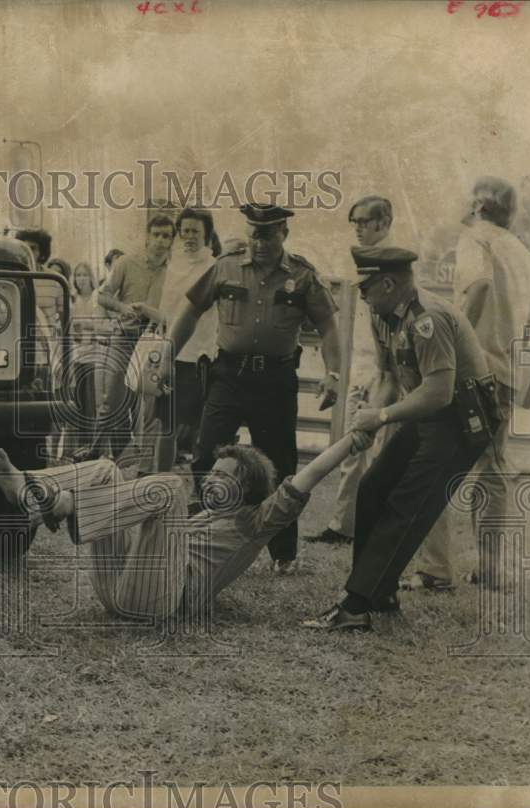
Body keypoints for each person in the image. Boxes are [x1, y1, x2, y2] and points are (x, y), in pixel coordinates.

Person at [302, 246, 495, 632]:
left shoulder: (428, 319)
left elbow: (439, 391)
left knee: (407, 505)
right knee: (373, 487)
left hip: (460, 419)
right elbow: (388, 376)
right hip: (428, 414)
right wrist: (368, 423)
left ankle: (356, 606)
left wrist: (382, 416)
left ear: (389, 284)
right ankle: (380, 594)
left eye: (365, 288)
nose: (361, 296)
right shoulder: (384, 315)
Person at [0, 430, 373, 622]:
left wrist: (350, 441)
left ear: (245, 489)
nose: (210, 480)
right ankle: (28, 488)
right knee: (106, 469)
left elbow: (307, 477)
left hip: (159, 603)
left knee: (170, 486)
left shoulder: (255, 522)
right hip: (117, 588)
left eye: (224, 476)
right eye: (212, 473)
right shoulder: (198, 513)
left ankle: (63, 504)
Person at [167, 203, 342, 575]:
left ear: (284, 234)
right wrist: (167, 355)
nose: (259, 243)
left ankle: (283, 554)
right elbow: (192, 309)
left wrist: (334, 374)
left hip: (275, 382)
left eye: (268, 236)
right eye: (254, 235)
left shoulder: (303, 275)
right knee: (205, 455)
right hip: (229, 376)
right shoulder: (226, 267)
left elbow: (328, 325)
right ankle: (203, 535)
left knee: (279, 465)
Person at [402, 176, 530, 592]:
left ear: (479, 206)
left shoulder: (475, 240)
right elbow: (529, 324)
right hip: (507, 372)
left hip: (473, 373)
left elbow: (477, 286)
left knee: (434, 463)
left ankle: (435, 569)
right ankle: (492, 567)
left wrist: (454, 340)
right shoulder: (523, 254)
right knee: (493, 470)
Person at [305, 195, 399, 547]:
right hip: (361, 365)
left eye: (364, 221)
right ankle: (344, 525)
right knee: (351, 445)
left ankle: (377, 527)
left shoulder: (395, 261)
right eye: (354, 222)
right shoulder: (361, 261)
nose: (358, 228)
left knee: (379, 450)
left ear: (383, 222)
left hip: (385, 370)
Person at [95, 216, 175, 460]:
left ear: (172, 240)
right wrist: (122, 308)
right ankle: (96, 454)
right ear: (147, 237)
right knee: (113, 400)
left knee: (150, 406)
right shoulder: (126, 263)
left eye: (166, 236)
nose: (160, 241)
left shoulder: (174, 271)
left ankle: (140, 464)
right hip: (124, 338)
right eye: (156, 235)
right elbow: (103, 295)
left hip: (154, 343)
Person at [149, 207, 220, 472]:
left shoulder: (214, 267)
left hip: (201, 356)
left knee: (201, 426)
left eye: (195, 231)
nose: (189, 236)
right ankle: (161, 480)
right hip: (172, 354)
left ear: (207, 234)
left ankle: (201, 484)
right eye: (185, 231)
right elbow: (167, 312)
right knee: (167, 424)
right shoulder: (174, 264)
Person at [62, 262, 104, 458]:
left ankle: (92, 445)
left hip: (95, 354)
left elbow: (100, 324)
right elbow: (67, 326)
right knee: (78, 401)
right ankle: (78, 446)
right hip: (77, 354)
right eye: (78, 275)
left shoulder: (97, 297)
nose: (81, 279)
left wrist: (83, 324)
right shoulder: (72, 299)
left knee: (92, 402)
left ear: (91, 277)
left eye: (84, 275)